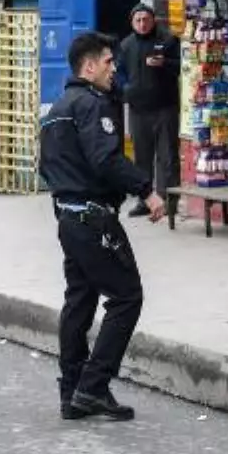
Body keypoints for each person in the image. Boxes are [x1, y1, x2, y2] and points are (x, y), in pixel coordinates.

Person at [39, 32, 166, 422]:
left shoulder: (57, 109)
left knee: (80, 300)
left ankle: (72, 391)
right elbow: (106, 159)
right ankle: (92, 387)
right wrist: (146, 190)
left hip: (68, 218)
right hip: (93, 219)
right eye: (108, 62)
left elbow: (45, 168)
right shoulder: (93, 105)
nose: (114, 68)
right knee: (127, 297)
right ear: (89, 66)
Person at [116, 4, 181, 217]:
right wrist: (127, 90)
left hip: (165, 107)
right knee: (142, 156)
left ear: (153, 20)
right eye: (138, 20)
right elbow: (118, 73)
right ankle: (145, 201)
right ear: (132, 22)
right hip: (138, 109)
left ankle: (169, 200)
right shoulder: (126, 45)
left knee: (167, 156)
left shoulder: (168, 40)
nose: (142, 24)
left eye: (146, 19)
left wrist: (165, 63)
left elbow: (181, 67)